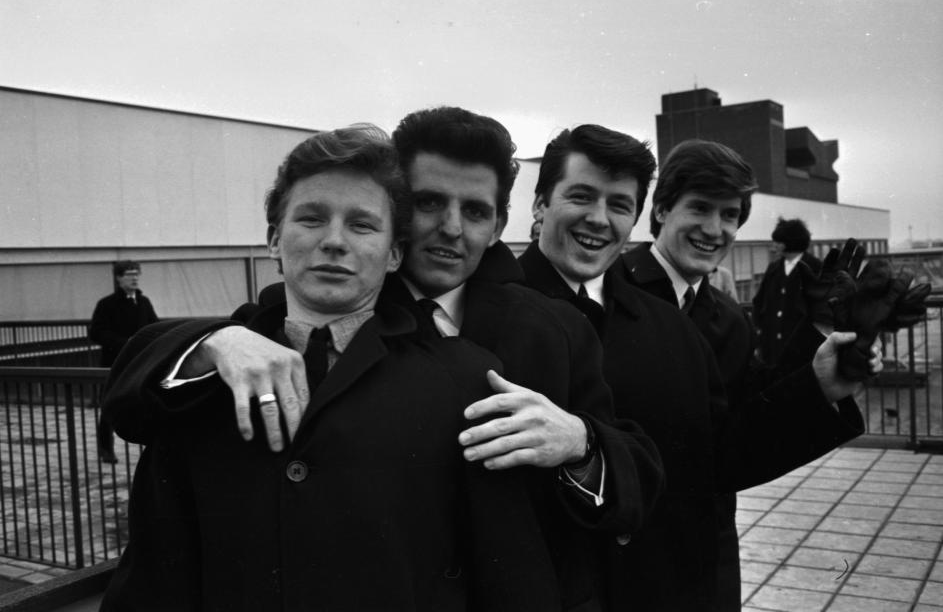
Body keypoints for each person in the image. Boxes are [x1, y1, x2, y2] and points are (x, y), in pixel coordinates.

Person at [102, 108, 665, 610]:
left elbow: (635, 473)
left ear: (498, 225)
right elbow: (159, 373)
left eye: (475, 211)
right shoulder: (283, 317)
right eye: (427, 203)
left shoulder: (552, 330)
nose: (450, 228)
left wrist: (579, 441)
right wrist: (212, 342)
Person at [520, 125, 882, 611]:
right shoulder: (604, 292)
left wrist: (818, 373)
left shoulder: (722, 317)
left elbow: (732, 436)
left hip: (693, 556)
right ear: (662, 211)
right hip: (602, 567)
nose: (714, 229)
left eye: (729, 215)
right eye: (699, 208)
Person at [88, 260, 158, 463]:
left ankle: (150, 445)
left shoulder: (143, 302)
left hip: (140, 362)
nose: (134, 277)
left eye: (136, 273)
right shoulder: (106, 304)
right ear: (119, 278)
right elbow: (96, 332)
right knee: (109, 405)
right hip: (114, 362)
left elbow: (154, 325)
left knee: (146, 400)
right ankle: (105, 448)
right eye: (129, 274)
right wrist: (123, 343)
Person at [753, 217, 822, 364]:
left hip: (803, 353)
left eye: (778, 242)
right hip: (772, 350)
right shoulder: (773, 268)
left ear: (790, 242)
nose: (773, 247)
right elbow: (759, 303)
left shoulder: (816, 269)